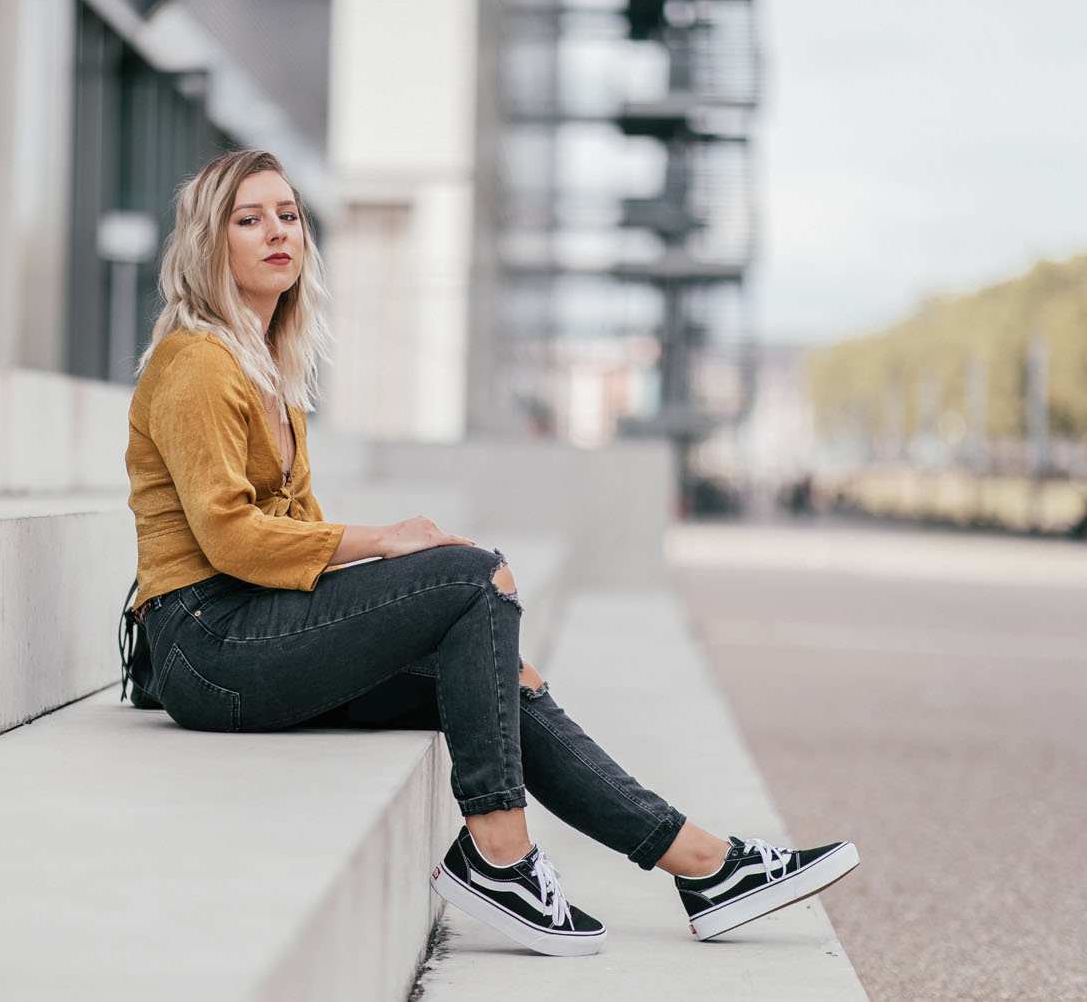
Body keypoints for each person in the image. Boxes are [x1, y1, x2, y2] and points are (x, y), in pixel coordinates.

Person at [123, 149, 858, 954]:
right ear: (208, 243)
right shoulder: (196, 363)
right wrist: (391, 541)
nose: (277, 233)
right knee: (477, 576)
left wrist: (417, 594)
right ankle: (500, 854)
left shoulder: (269, 370)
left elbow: (293, 534)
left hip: (252, 632)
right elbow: (232, 536)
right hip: (209, 646)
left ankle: (705, 865)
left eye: (289, 215)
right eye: (248, 218)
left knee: (498, 675)